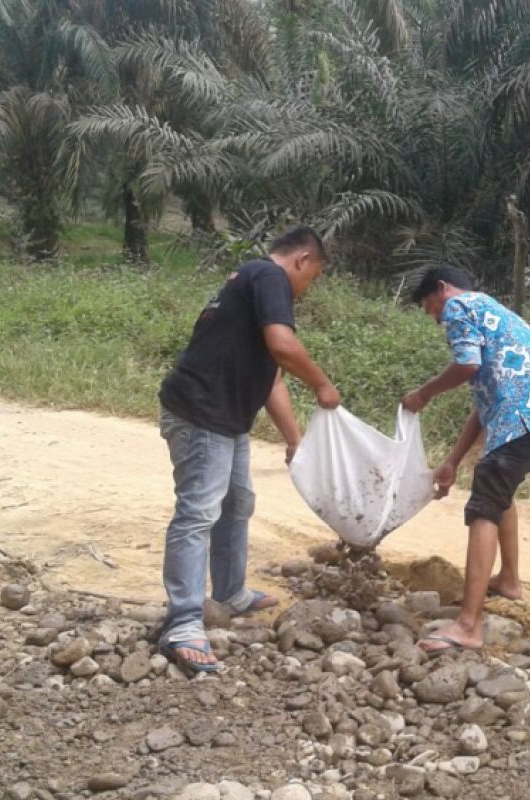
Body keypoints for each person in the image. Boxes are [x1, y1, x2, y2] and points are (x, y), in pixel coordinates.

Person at [156, 226, 341, 672]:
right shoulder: (269, 276)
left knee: (237, 502)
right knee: (198, 511)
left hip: (225, 417)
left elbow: (272, 374)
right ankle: (182, 624)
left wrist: (294, 439)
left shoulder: (251, 283)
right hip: (201, 413)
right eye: (311, 277)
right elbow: (283, 345)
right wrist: (322, 384)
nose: (305, 287)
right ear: (302, 260)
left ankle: (230, 593)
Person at [402, 265, 530, 656]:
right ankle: (509, 580)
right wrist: (452, 461)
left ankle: (468, 625)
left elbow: (467, 366)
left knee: (484, 505)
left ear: (443, 289)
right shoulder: (497, 315)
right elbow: (483, 406)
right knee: (499, 489)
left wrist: (424, 393)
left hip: (526, 418)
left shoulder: (461, 306)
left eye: (431, 306)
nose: (436, 318)